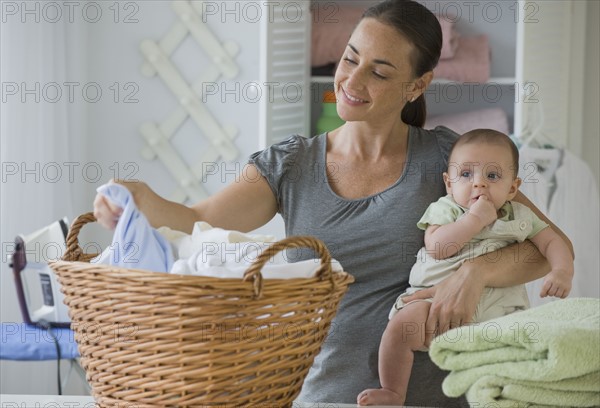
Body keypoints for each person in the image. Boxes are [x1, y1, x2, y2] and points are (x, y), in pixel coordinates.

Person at [93, 0, 573, 404]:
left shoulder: (453, 160)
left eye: (379, 72)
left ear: (416, 85)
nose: (352, 80)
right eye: (350, 58)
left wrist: (476, 273)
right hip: (321, 397)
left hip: (444, 398)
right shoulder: (288, 164)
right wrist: (138, 197)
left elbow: (541, 245)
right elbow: (196, 220)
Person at [357, 129, 574, 406]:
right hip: (432, 302)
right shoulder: (446, 209)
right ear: (449, 184)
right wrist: (473, 220)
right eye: (466, 175)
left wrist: (561, 271)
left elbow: (553, 242)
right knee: (400, 329)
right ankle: (393, 391)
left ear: (512, 188)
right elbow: (437, 247)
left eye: (492, 176)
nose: (479, 184)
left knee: (517, 354)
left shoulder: (520, 215)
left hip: (501, 309)